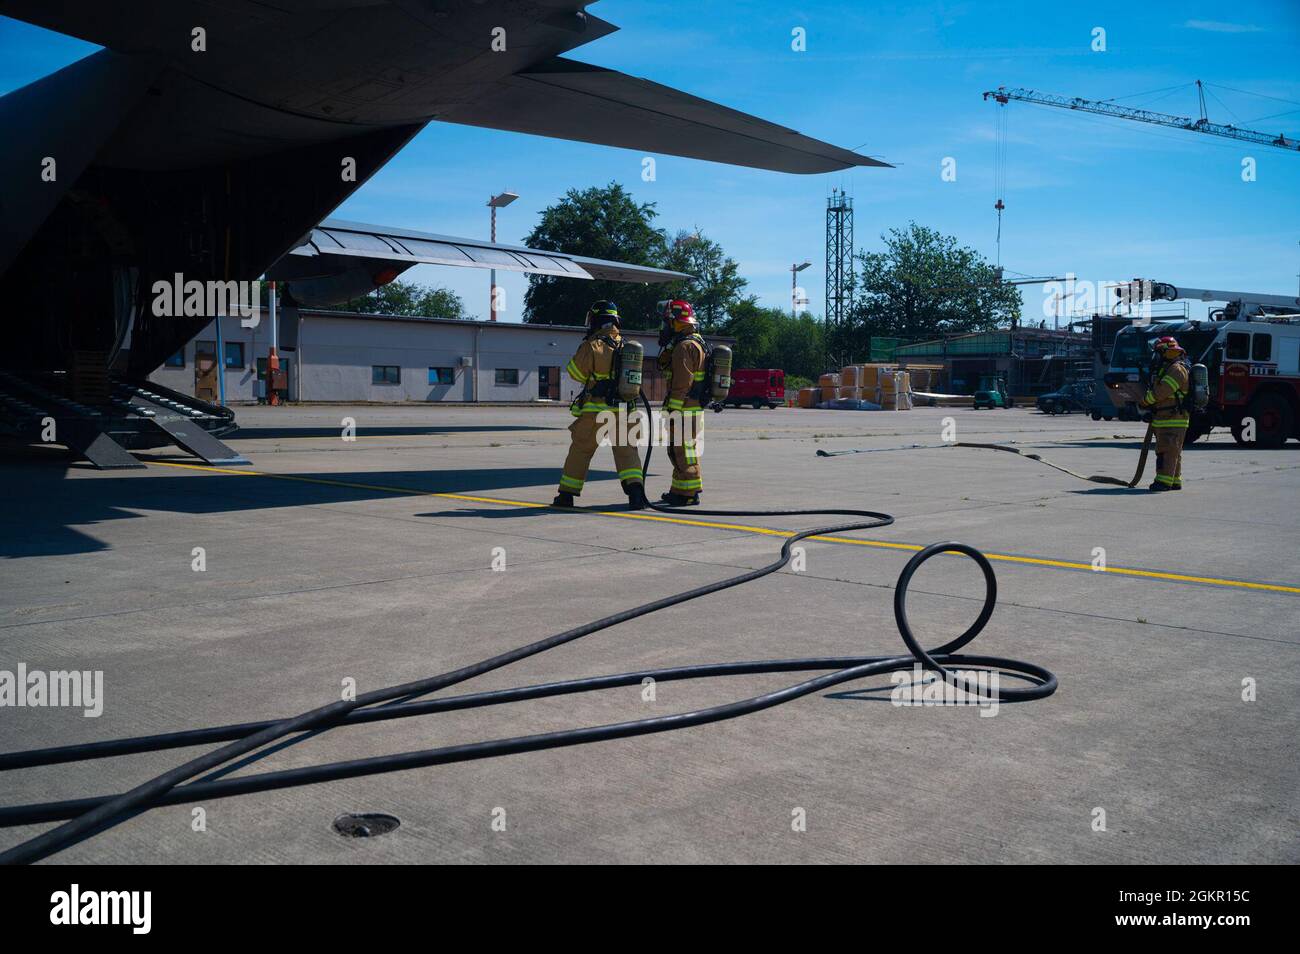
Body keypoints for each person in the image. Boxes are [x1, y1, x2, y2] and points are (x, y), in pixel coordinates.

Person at [553, 300, 648, 509]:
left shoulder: (592, 345)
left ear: (595, 320)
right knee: (627, 452)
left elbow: (575, 373)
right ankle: (636, 496)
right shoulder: (628, 346)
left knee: (581, 451)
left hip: (596, 411)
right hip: (625, 410)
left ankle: (566, 495)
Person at [656, 299, 706, 505]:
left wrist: (672, 410)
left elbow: (682, 383)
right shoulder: (695, 342)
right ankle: (679, 490)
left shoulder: (684, 346)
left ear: (677, 321)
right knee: (679, 449)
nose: (665, 326)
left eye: (667, 321)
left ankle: (689, 493)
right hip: (690, 408)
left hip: (683, 409)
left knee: (683, 450)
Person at [1139, 335, 1190, 491]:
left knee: (1166, 451)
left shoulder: (1176, 370)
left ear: (1169, 352)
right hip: (1166, 418)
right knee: (1173, 451)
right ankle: (1174, 481)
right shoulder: (1169, 369)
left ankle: (1163, 482)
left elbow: (1161, 392)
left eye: (1160, 352)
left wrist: (1144, 402)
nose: (1157, 356)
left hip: (1173, 419)